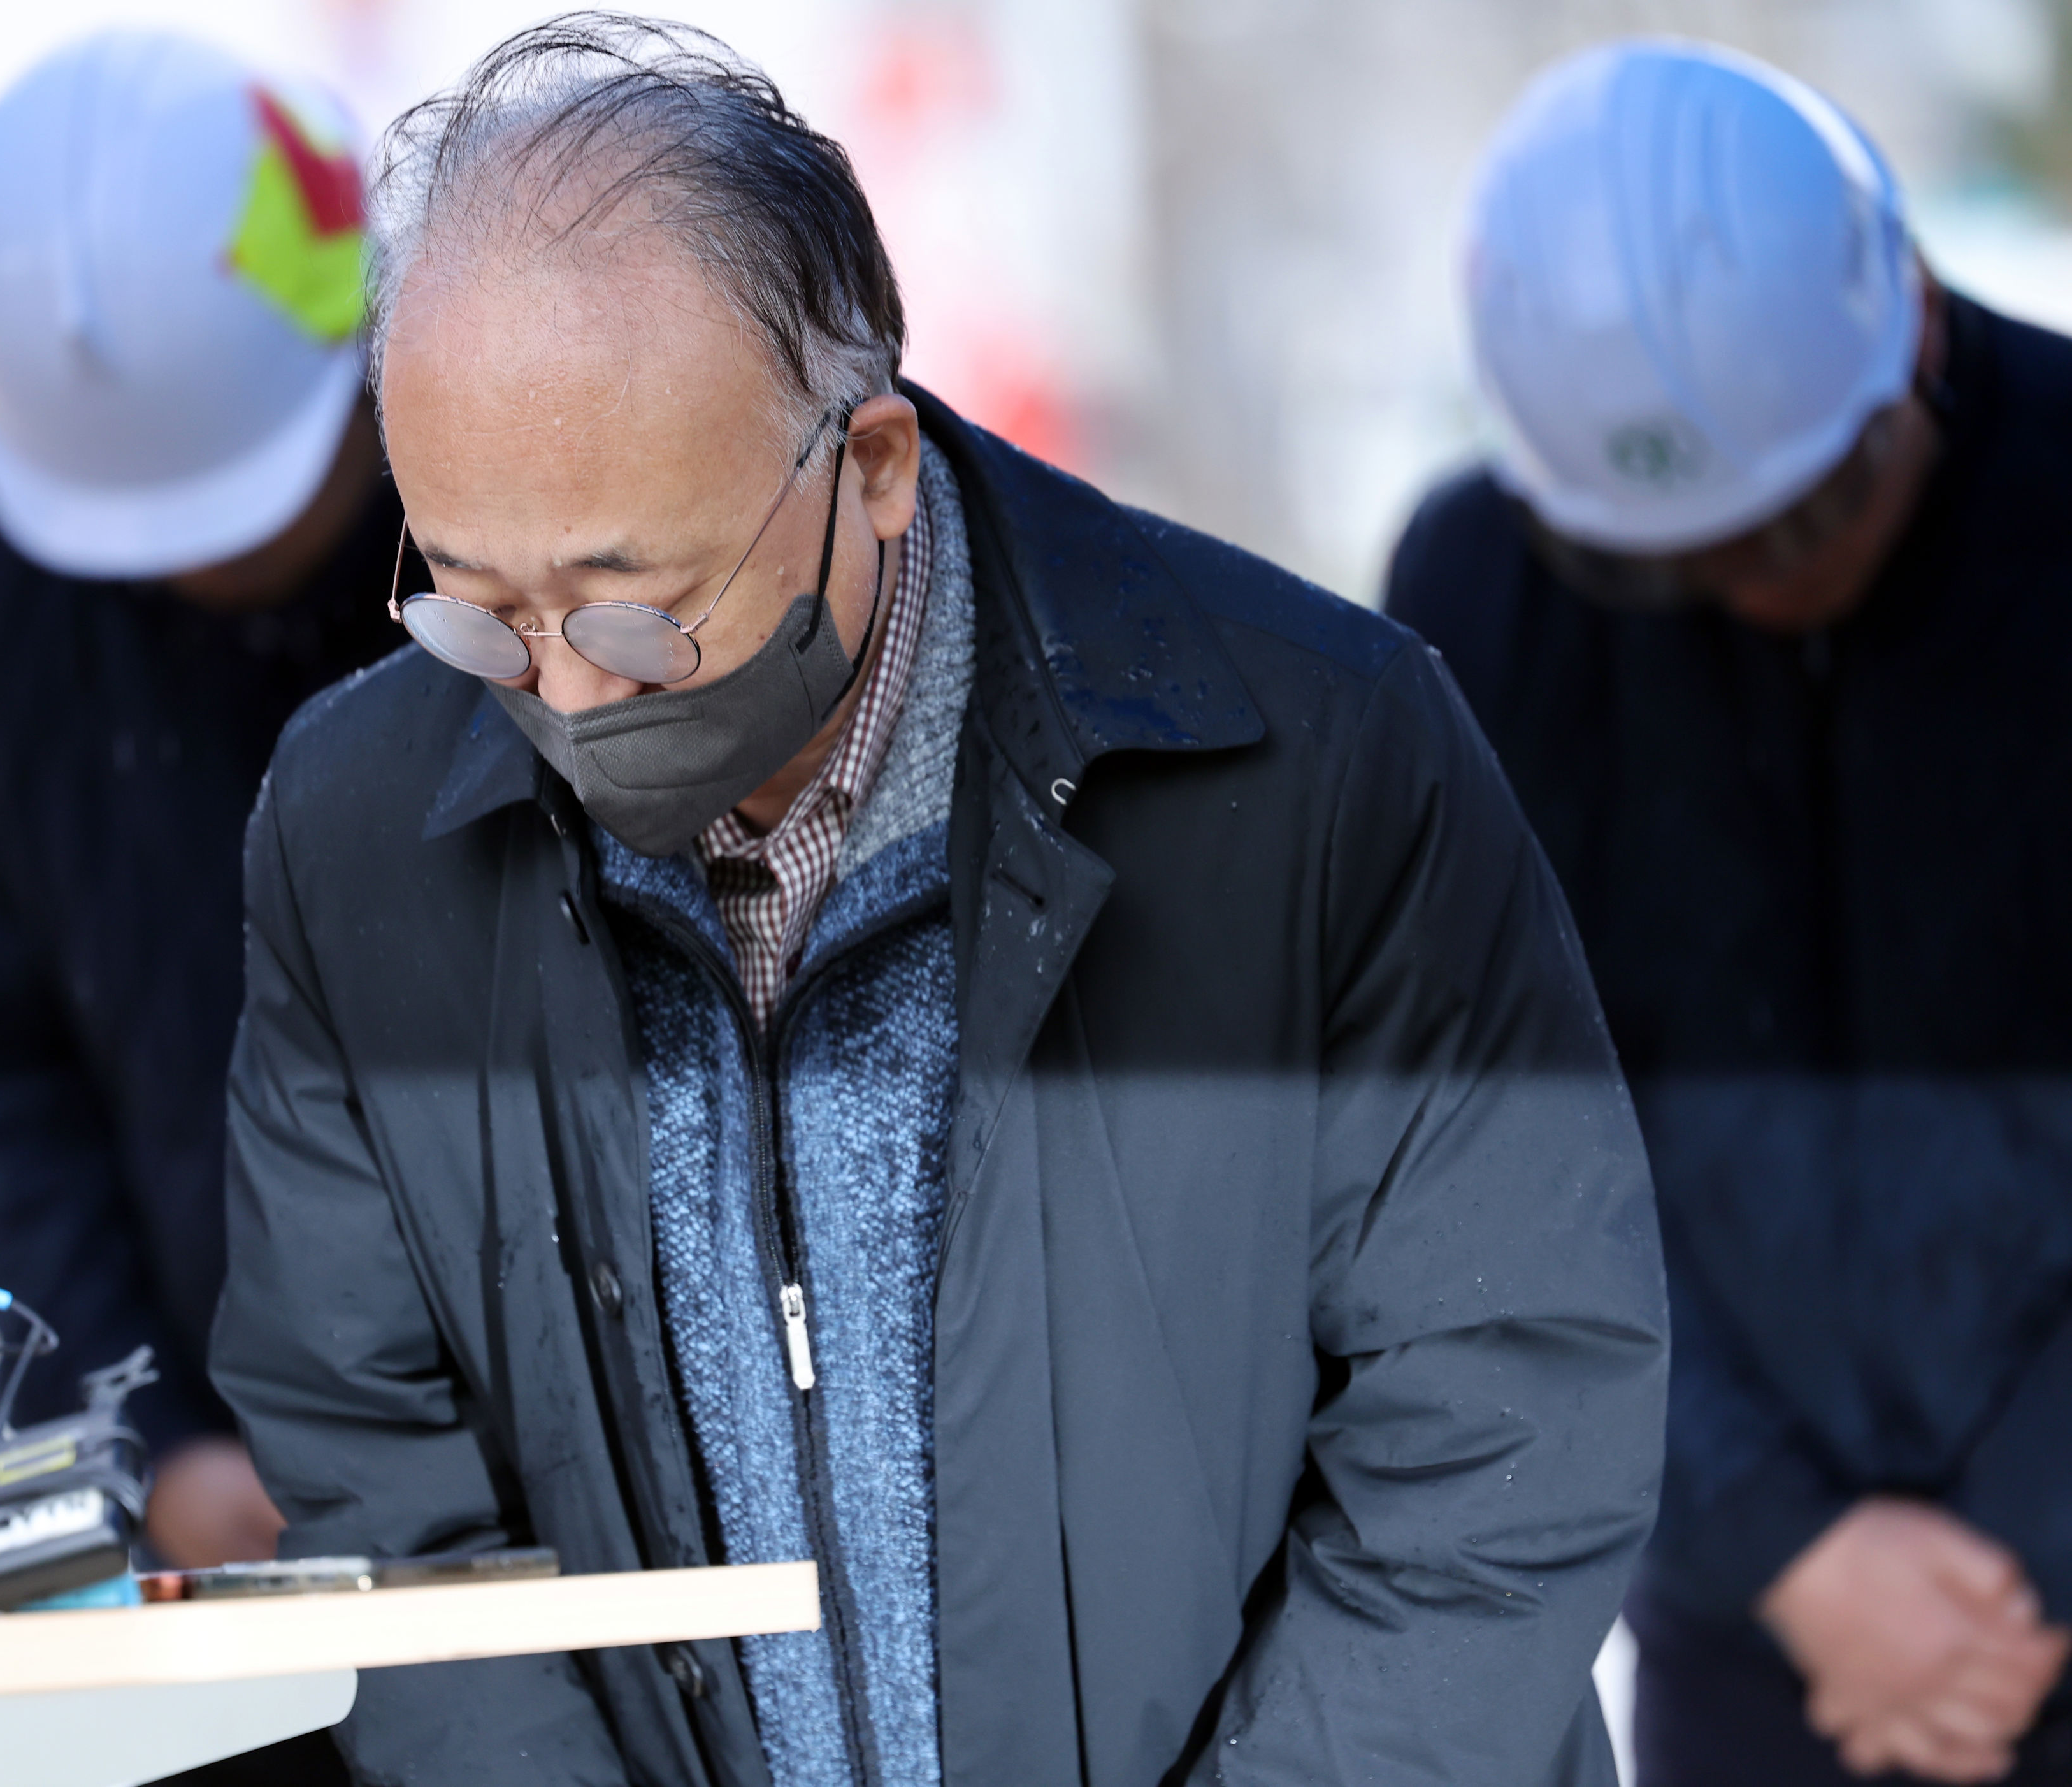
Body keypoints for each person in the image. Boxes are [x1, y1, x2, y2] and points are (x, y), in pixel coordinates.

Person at [211, 18, 1669, 1785]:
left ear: (872, 464)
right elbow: (379, 1460)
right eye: (469, 602)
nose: (563, 697)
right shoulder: (357, 834)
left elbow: (1500, 1411)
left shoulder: (1317, 765)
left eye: (630, 607)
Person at [1386, 40, 2072, 1787]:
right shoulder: (1480, 600)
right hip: (1751, 1612)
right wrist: (1777, 1541)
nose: (1768, 578)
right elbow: (1472, 1140)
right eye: (1680, 556)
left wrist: (2013, 1559)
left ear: (1909, 328)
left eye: (1816, 511)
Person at [0, 28, 399, 1597]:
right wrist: (146, 1438)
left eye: (235, 512)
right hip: (223, 1502)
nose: (188, 564)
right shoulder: (5, 593)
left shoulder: (518, 547)